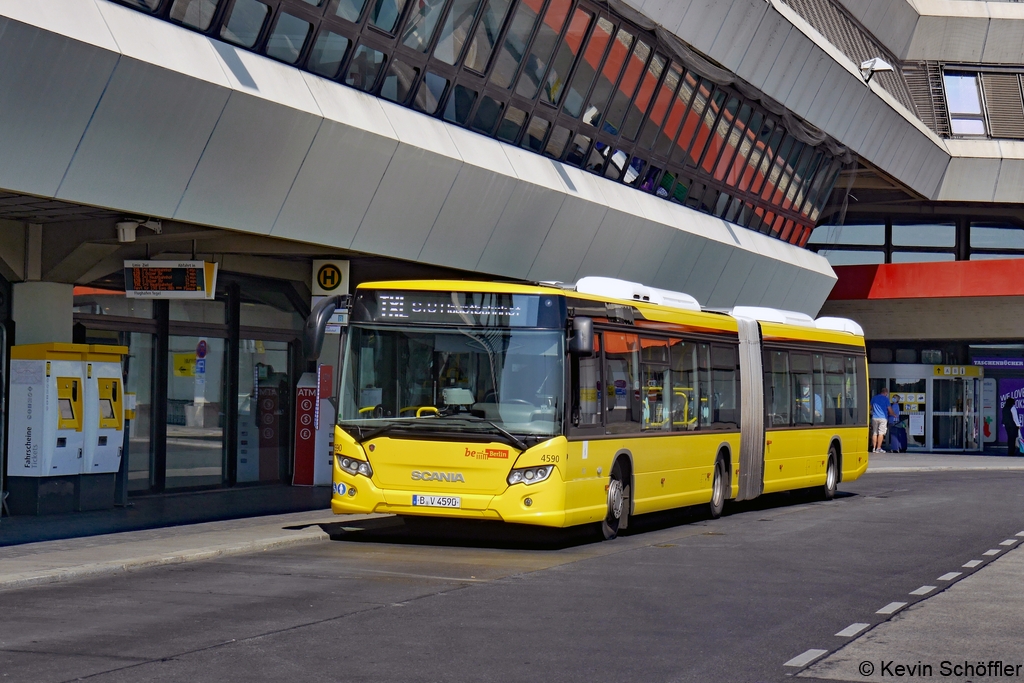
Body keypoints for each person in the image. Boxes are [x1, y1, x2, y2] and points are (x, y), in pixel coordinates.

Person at [869, 387, 894, 453]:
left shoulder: (874, 398)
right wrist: (894, 414)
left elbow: (870, 407)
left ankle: (874, 448)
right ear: (885, 392)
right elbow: (889, 409)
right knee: (881, 433)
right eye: (887, 393)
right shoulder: (886, 399)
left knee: (874, 432)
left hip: (874, 417)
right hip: (883, 418)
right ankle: (878, 448)